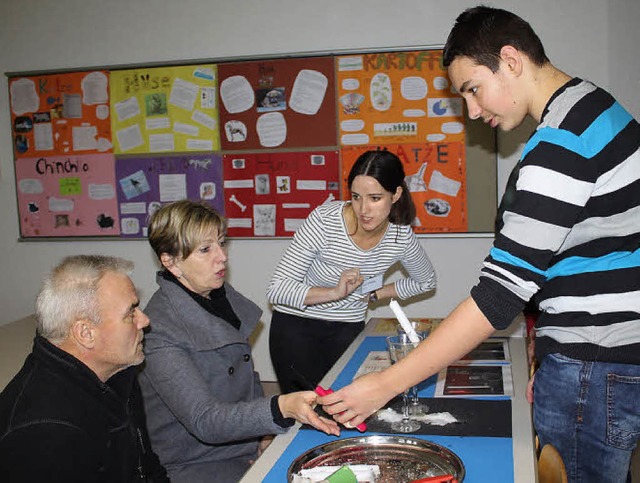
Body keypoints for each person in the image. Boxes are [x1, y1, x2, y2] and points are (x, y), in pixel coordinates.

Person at [319, 6, 640, 483]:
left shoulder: (560, 144)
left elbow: (499, 296)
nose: (471, 110)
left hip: (592, 367)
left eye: (472, 88)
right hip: (596, 360)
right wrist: (553, 354)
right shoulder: (596, 107)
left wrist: (383, 385)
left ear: (510, 60)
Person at [138, 200, 339, 483]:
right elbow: (205, 420)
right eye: (205, 249)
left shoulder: (215, 297)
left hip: (241, 446)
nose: (222, 256)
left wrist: (263, 433)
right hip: (193, 464)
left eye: (221, 243)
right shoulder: (160, 330)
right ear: (169, 261)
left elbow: (244, 376)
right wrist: (279, 408)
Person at [267, 149, 437, 394]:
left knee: (346, 406)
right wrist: (334, 293)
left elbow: (426, 281)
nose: (363, 209)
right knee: (307, 412)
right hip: (296, 327)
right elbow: (277, 290)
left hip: (348, 327)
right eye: (356, 197)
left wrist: (375, 293)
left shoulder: (400, 236)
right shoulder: (324, 221)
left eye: (375, 198)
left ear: (396, 194)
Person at [0, 255, 168, 483]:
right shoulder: (44, 434)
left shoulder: (117, 372)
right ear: (86, 333)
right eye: (131, 313)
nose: (145, 320)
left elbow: (147, 468)